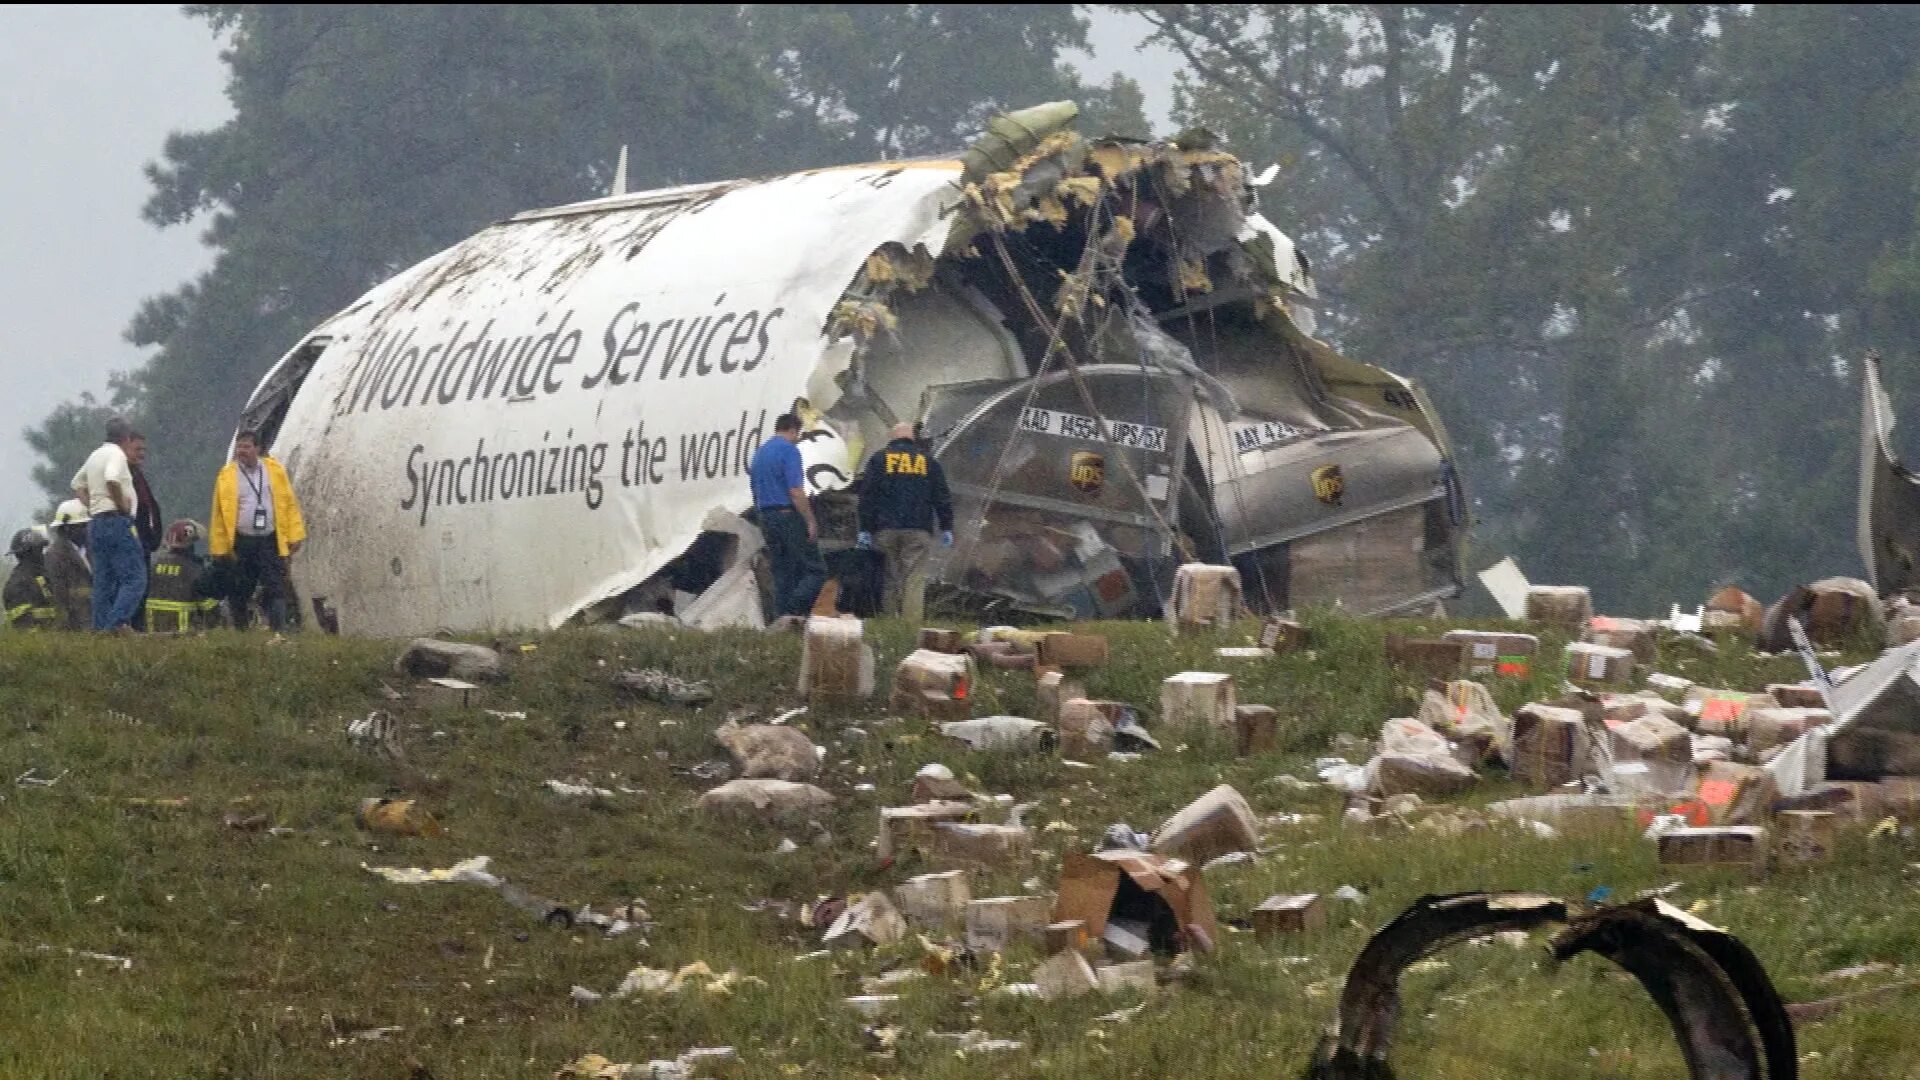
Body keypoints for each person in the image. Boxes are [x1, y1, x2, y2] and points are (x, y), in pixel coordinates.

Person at [855, 422, 954, 625]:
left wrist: (864, 528)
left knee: (889, 578)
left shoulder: (879, 459)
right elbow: (942, 496)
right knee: (914, 579)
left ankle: (888, 625)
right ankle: (910, 628)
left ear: (892, 437)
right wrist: (946, 526)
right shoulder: (928, 462)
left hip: (885, 529)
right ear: (913, 438)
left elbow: (867, 497)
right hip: (918, 529)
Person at [208, 429, 306, 632]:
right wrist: (219, 547)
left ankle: (279, 630)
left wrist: (294, 535)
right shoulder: (227, 476)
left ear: (258, 449)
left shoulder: (274, 471)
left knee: (276, 585)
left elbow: (289, 504)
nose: (241, 451)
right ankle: (242, 630)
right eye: (239, 446)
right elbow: (219, 514)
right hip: (242, 541)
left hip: (269, 540)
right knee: (240, 588)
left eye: (246, 446)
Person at [69, 417, 146, 633]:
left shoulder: (95, 455)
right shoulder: (116, 454)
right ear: (126, 438)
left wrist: (93, 506)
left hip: (97, 524)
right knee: (134, 579)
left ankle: (99, 628)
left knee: (103, 581)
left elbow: (76, 483)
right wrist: (121, 504)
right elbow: (112, 478)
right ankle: (114, 627)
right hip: (116, 522)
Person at [748, 413, 824, 618]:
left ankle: (781, 618)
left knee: (783, 571)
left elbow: (754, 489)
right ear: (793, 430)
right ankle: (795, 608)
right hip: (786, 514)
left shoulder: (760, 453)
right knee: (815, 569)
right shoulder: (789, 450)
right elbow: (795, 491)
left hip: (766, 516)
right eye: (797, 434)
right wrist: (810, 520)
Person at [145, 520, 222, 633]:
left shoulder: (152, 565)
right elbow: (209, 610)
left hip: (149, 635)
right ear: (190, 545)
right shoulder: (195, 569)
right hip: (184, 635)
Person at [127, 432, 163, 631]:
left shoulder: (138, 475)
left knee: (143, 591)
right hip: (133, 544)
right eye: (137, 449)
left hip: (144, 545)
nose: (141, 454)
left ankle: (139, 629)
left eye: (144, 450)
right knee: (134, 590)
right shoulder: (124, 476)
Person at [44, 500, 93, 631]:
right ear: (67, 528)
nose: (87, 529)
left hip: (95, 617)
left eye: (87, 524)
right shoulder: (55, 555)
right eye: (82, 525)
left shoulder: (91, 549)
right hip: (76, 624)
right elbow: (58, 594)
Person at [3, 527, 58, 631]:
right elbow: (23, 626)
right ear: (28, 553)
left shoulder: (42, 576)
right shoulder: (17, 584)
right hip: (40, 644)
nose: (42, 554)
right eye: (39, 550)